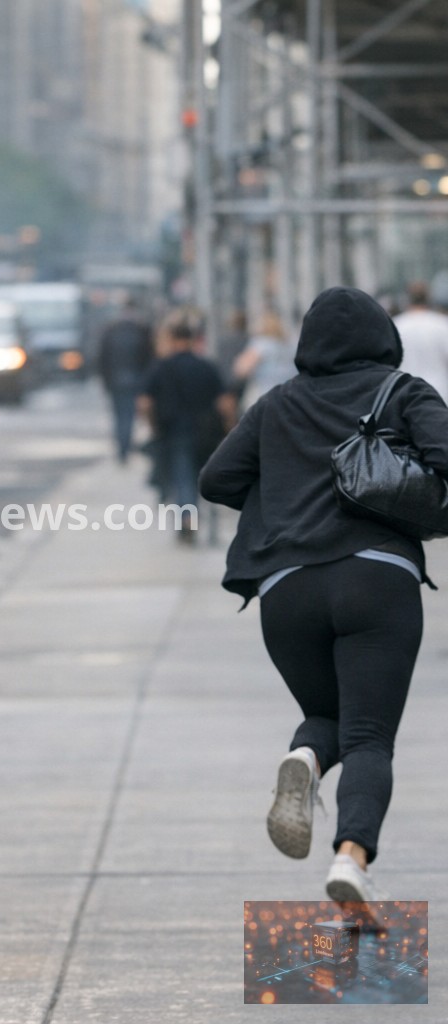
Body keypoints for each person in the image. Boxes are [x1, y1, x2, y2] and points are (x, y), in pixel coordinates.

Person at [200, 286, 448, 902]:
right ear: (382, 337)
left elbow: (216, 479)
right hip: (376, 580)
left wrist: (284, 500)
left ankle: (306, 762)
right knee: (369, 736)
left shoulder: (276, 403)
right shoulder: (405, 392)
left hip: (286, 593)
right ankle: (351, 859)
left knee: (330, 719)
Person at [138, 306, 233, 542]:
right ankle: (193, 516)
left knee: (181, 477)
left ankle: (187, 518)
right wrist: (230, 428)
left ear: (171, 339)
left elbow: (144, 402)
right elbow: (225, 402)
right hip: (205, 433)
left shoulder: (161, 367)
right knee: (199, 477)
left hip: (173, 431)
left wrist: (152, 425)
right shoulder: (206, 366)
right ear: (192, 339)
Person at [96, 298, 155, 463]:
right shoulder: (141, 331)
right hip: (135, 380)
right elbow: (149, 359)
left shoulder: (111, 331)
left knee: (119, 416)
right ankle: (125, 447)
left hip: (116, 381)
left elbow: (102, 359)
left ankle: (122, 448)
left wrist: (106, 381)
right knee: (128, 415)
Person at [394, 280, 448, 403]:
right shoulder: (442, 324)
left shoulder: (396, 325)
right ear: (429, 297)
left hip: (405, 393)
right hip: (440, 392)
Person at [232, 310, 297, 410]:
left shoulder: (261, 344)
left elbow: (241, 370)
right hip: (290, 397)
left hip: (265, 397)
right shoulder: (291, 344)